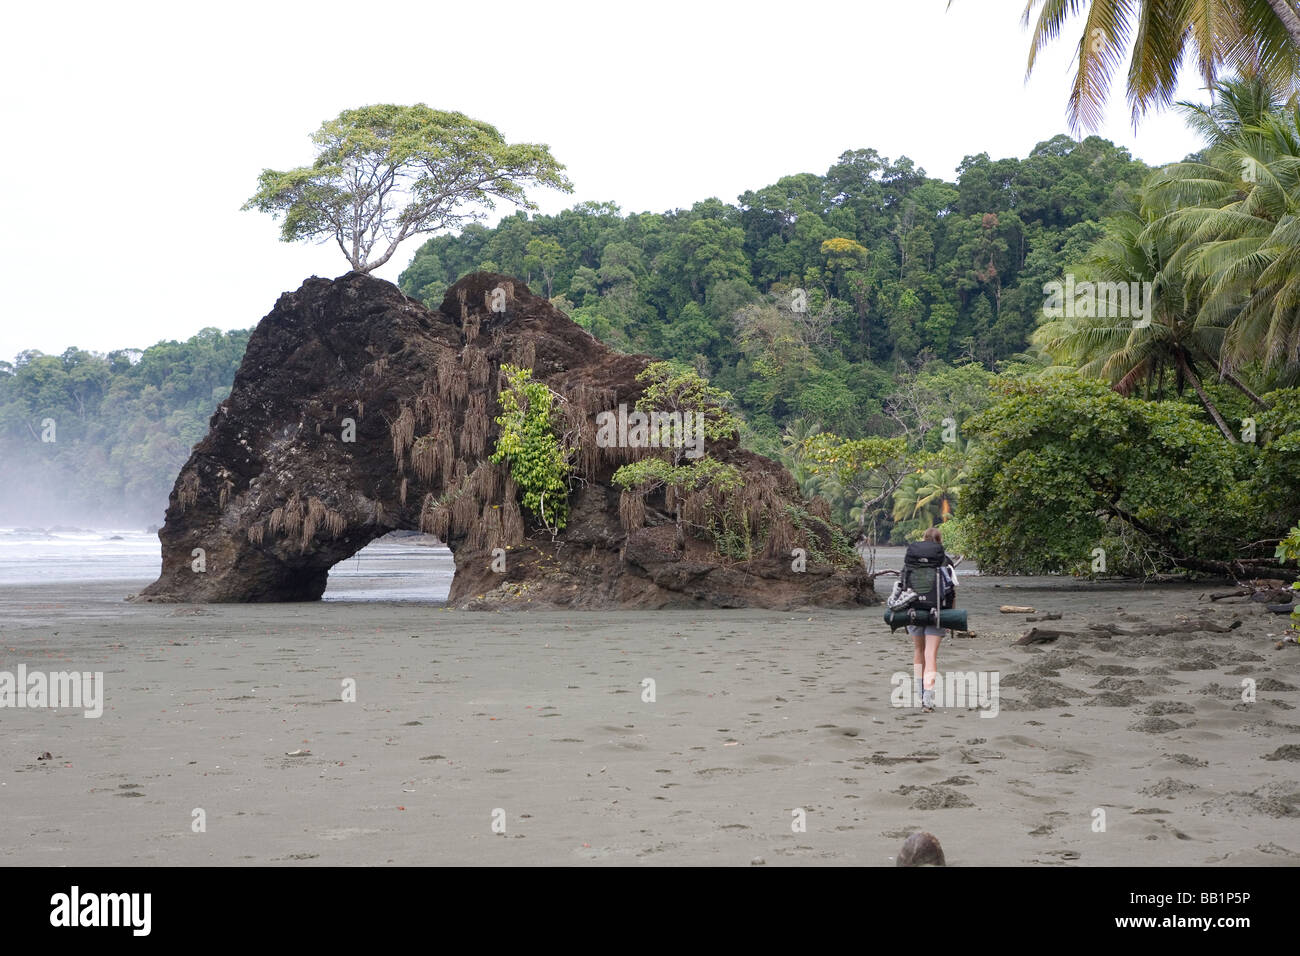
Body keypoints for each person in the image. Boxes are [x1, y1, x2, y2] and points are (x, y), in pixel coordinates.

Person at [905, 526, 956, 713]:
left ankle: (919, 692)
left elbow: (903, 585)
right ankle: (928, 698)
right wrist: (950, 616)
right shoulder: (945, 561)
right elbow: (951, 592)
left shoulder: (912, 560)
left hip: (914, 612)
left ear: (923, 539)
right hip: (938, 613)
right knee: (930, 655)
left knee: (918, 651)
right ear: (940, 541)